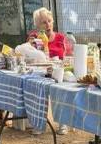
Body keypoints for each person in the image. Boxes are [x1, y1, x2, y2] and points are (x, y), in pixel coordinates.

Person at [28, 7, 71, 135]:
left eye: (49, 21)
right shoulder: (34, 38)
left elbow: (68, 57)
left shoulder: (60, 38)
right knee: (37, 85)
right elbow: (29, 57)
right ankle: (38, 123)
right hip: (40, 71)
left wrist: (60, 64)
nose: (48, 24)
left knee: (61, 85)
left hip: (57, 71)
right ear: (37, 25)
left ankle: (63, 123)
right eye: (43, 22)